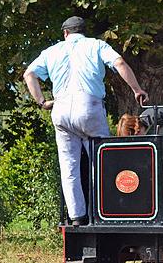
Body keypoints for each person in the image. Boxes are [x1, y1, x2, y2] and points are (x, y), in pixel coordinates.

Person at [24, 16, 149, 226]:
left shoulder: (51, 51)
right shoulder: (97, 45)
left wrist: (42, 102)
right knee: (103, 161)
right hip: (89, 107)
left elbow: (29, 74)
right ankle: (104, 211)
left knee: (69, 167)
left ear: (65, 33)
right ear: (84, 31)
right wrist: (137, 89)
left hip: (61, 109)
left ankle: (77, 217)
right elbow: (119, 62)